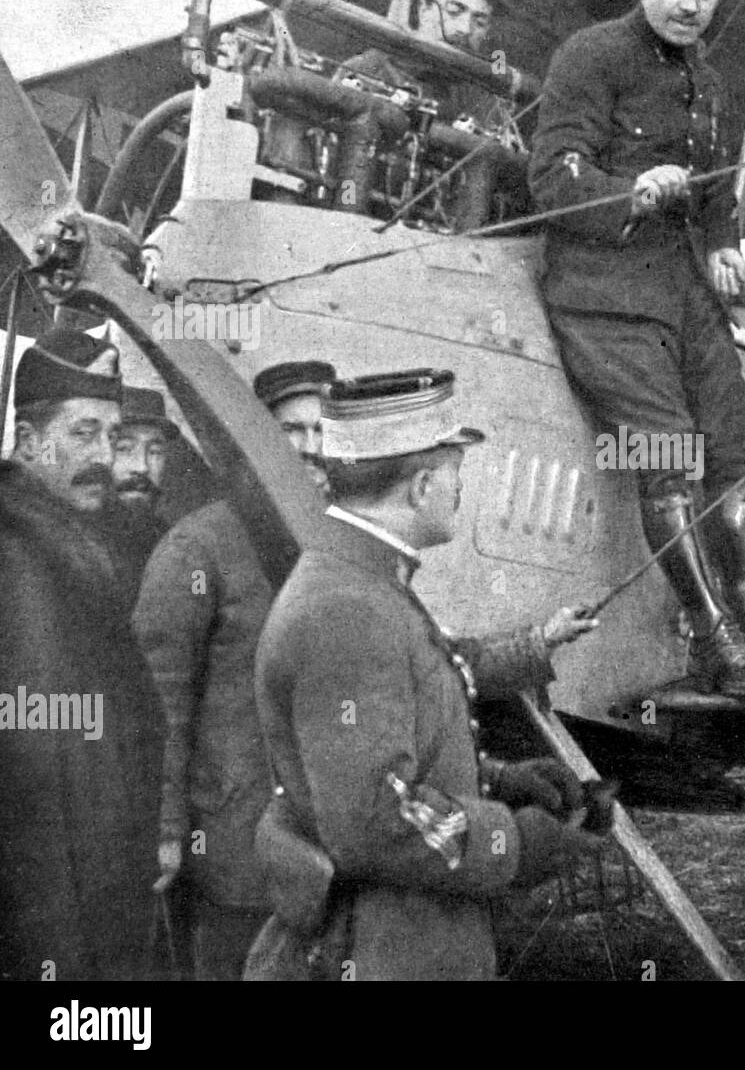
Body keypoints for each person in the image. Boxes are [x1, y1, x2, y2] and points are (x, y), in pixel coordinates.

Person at [528, 0, 745, 699]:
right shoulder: (589, 55)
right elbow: (552, 176)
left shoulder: (708, 82)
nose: (692, 6)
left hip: (685, 293)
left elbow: (714, 193)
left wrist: (723, 244)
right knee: (668, 455)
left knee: (736, 441)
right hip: (605, 294)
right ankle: (713, 643)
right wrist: (631, 190)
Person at [248, 368, 605, 980]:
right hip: (380, 952)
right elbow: (374, 818)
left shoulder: (364, 583)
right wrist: (512, 843)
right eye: (455, 474)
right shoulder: (349, 609)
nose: (460, 492)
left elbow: (392, 753)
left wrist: (495, 781)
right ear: (420, 487)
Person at [132, 360, 335, 980]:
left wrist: (533, 647)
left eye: (320, 432)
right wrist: (166, 831)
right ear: (255, 439)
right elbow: (159, 704)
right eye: (289, 431)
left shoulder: (339, 547)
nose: (307, 448)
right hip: (230, 850)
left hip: (320, 846)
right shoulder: (200, 548)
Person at [0, 329, 163, 979]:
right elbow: (31, 779)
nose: (106, 456)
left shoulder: (67, 544)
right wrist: (57, 959)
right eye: (83, 433)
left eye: (113, 437)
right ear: (31, 440)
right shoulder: (19, 560)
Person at [336, 0, 501, 126]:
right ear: (424, 8)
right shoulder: (366, 69)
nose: (465, 29)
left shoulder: (481, 98)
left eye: (479, 22)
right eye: (454, 11)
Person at [98, 385, 177, 597]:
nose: (142, 467)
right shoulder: (61, 538)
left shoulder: (174, 544)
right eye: (124, 448)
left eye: (154, 451)